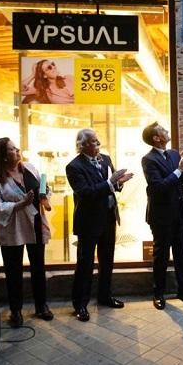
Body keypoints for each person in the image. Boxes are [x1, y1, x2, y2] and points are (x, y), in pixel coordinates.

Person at [66, 129, 133, 322]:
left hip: (108, 218)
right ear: (82, 145)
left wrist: (119, 183)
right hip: (88, 222)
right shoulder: (74, 166)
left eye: (98, 140)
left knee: (107, 260)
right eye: (94, 141)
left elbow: (112, 187)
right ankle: (80, 304)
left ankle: (105, 296)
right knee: (85, 264)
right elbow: (86, 193)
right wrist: (111, 182)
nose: (98, 144)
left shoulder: (105, 159)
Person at [0, 138, 53, 328]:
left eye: (16, 147)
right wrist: (20, 204)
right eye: (12, 149)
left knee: (38, 267)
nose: (17, 150)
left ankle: (41, 305)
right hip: (12, 228)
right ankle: (16, 310)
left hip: (35, 223)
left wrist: (44, 193)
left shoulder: (29, 168)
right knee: (13, 270)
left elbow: (45, 188)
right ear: (3, 156)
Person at [141, 122, 183, 310]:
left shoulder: (174, 154)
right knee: (161, 256)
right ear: (156, 138)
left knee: (181, 255)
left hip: (179, 214)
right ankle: (158, 293)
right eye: (163, 130)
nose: (167, 131)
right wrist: (179, 169)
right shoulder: (148, 160)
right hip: (161, 217)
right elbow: (158, 187)